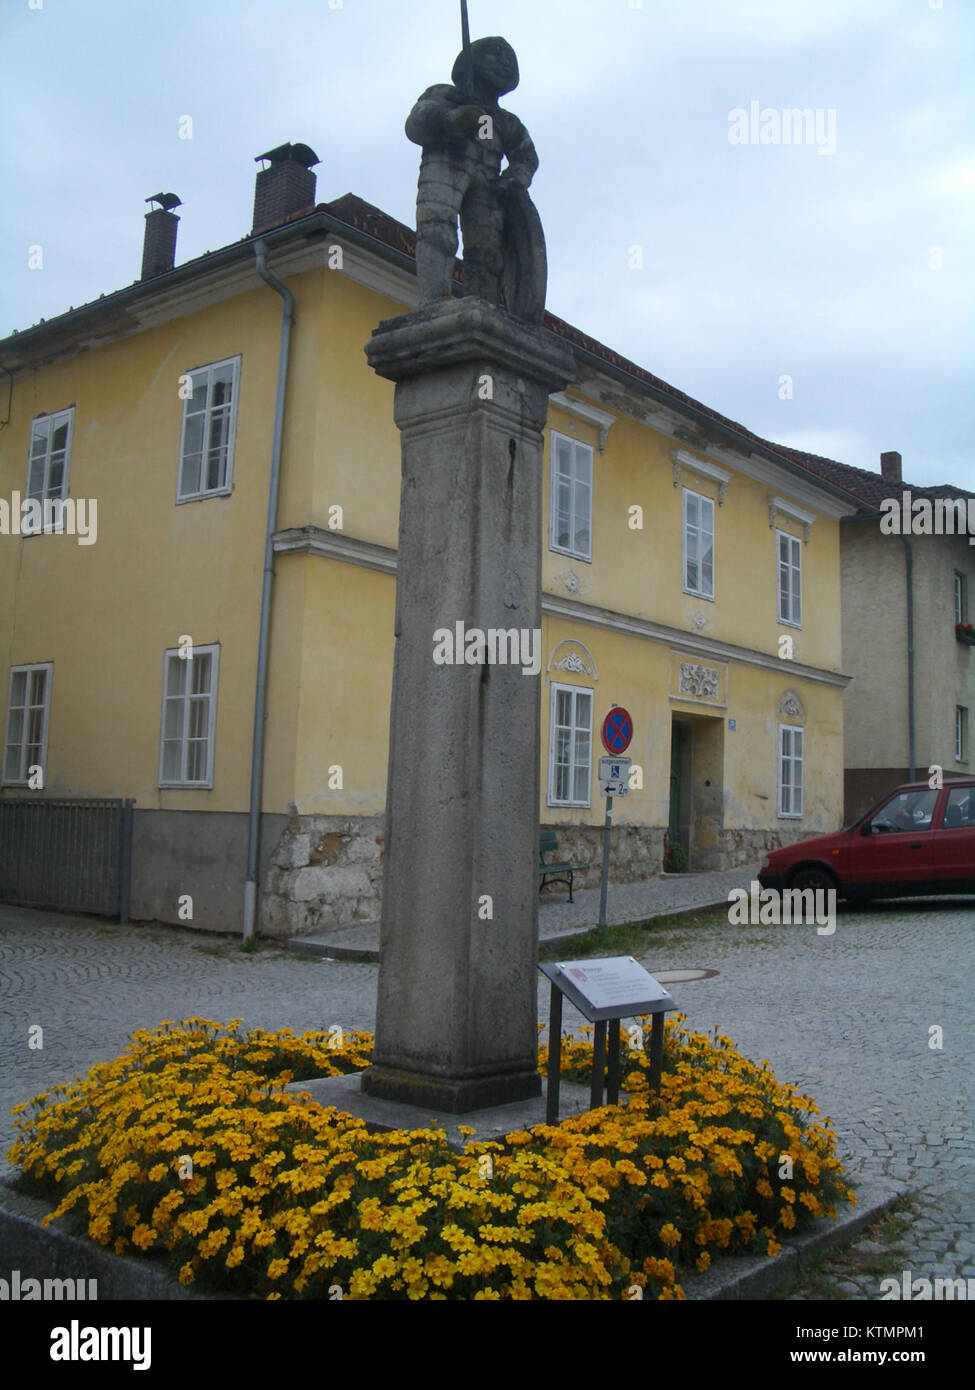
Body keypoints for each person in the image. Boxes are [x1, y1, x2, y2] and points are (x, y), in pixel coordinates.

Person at [406, 37, 539, 308]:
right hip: (446, 165)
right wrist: (451, 120)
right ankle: (433, 302)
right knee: (437, 230)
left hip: (490, 183)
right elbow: (416, 123)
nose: (505, 63)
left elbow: (526, 157)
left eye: (510, 59)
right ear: (471, 61)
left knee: (488, 255)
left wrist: (514, 178)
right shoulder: (445, 96)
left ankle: (483, 306)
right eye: (496, 54)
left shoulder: (507, 122)